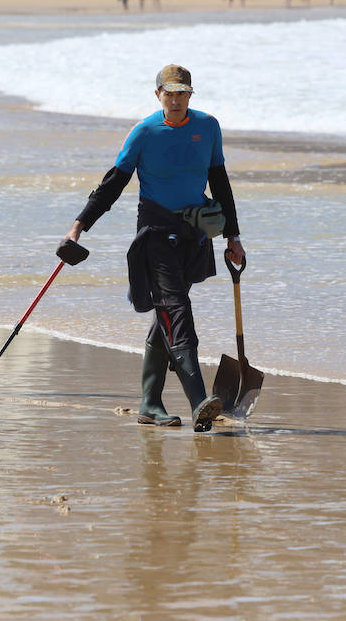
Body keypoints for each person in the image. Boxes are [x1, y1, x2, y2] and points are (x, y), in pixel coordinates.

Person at [63, 64, 243, 432]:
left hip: (194, 233)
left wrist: (233, 237)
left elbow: (220, 182)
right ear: (158, 94)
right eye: (170, 93)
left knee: (167, 313)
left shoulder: (207, 127)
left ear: (191, 95)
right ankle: (198, 400)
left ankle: (149, 402)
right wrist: (78, 227)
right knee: (175, 309)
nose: (176, 100)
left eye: (183, 93)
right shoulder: (144, 132)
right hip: (156, 235)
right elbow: (112, 184)